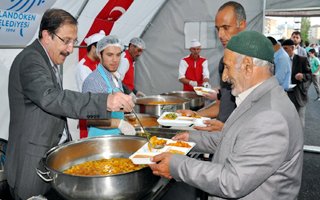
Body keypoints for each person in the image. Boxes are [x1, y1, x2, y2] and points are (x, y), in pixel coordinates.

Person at [149, 31, 304, 200]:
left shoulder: (270, 116)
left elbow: (232, 181)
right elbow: (233, 140)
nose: (224, 77)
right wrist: (191, 139)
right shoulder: (257, 99)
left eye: (227, 68)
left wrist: (176, 165)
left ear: (247, 66)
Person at [5, 8, 134, 200]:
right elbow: (52, 98)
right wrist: (104, 101)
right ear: (46, 35)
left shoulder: (50, 60)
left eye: (74, 42)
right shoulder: (31, 60)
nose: (71, 49)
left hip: (51, 155)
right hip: (31, 162)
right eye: (66, 41)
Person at [178, 1, 246, 131]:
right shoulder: (223, 62)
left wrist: (226, 129)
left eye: (226, 27)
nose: (220, 35)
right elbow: (223, 105)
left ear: (241, 25)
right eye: (217, 29)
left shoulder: (257, 63)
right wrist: (196, 115)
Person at [82, 35, 136, 137]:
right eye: (110, 55)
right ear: (99, 54)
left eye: (118, 55)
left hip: (116, 136)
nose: (115, 60)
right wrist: (119, 124)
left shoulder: (115, 77)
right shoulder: (93, 81)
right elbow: (91, 119)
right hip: (100, 139)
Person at [75, 30, 106, 138]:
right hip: (88, 112)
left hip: (98, 109)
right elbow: (92, 91)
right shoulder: (83, 66)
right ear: (93, 48)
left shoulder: (97, 64)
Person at [282, 39, 312, 127]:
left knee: (299, 119)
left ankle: (298, 139)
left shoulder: (302, 60)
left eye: (285, 49)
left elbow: (310, 75)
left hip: (297, 94)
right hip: (284, 93)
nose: (283, 51)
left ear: (292, 48)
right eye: (282, 49)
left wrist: (302, 76)